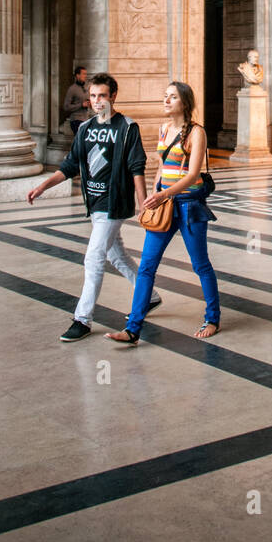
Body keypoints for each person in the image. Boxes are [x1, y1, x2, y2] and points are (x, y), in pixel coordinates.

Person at [27, 73, 160, 341]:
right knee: (116, 255)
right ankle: (150, 296)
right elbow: (70, 165)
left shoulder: (126, 127)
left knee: (94, 258)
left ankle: (83, 319)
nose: (97, 101)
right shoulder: (86, 129)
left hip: (115, 204)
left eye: (102, 96)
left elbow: (136, 167)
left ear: (113, 97)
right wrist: (44, 185)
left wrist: (144, 202)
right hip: (95, 203)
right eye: (94, 96)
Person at [107, 81, 221, 345]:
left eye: (172, 97)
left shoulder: (196, 132)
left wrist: (165, 194)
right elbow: (160, 166)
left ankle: (212, 318)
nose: (166, 101)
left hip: (189, 205)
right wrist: (153, 194)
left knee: (200, 264)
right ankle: (133, 328)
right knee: (147, 266)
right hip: (165, 205)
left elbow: (193, 174)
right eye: (165, 96)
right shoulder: (163, 129)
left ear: (185, 103)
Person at [62, 66, 90, 135]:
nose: (85, 76)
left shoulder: (85, 88)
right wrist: (81, 105)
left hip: (85, 119)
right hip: (76, 120)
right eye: (83, 74)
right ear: (77, 75)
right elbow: (66, 107)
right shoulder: (72, 89)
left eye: (86, 74)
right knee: (81, 142)